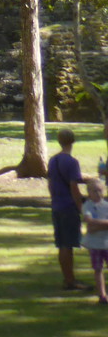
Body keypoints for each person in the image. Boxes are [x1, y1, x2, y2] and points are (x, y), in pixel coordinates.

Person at [49, 128, 88, 290]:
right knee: (68, 244)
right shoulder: (72, 162)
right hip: (68, 207)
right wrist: (81, 208)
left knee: (61, 244)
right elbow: (74, 187)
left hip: (56, 206)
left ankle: (67, 278)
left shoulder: (53, 160)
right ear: (72, 141)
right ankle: (71, 280)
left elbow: (50, 183)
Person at [82, 178, 108, 304]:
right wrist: (103, 224)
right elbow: (88, 221)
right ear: (89, 193)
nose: (97, 193)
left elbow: (92, 226)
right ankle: (102, 295)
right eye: (94, 191)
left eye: (100, 190)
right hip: (95, 244)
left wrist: (95, 226)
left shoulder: (106, 206)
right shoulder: (88, 205)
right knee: (98, 269)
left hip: (107, 242)